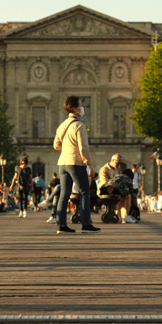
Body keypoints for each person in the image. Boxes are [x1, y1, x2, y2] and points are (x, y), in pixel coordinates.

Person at [53, 95, 99, 234]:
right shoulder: (80, 125)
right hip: (76, 163)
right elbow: (84, 148)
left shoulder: (62, 126)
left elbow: (56, 145)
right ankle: (86, 224)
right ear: (74, 109)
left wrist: (67, 150)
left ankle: (61, 225)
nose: (82, 108)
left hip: (63, 163)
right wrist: (90, 165)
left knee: (64, 194)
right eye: (80, 106)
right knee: (85, 193)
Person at [99, 154, 131, 222]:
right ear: (112, 160)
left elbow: (121, 179)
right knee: (123, 195)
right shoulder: (103, 169)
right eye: (118, 162)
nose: (119, 165)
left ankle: (124, 216)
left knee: (127, 195)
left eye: (120, 163)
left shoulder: (117, 168)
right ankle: (120, 215)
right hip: (105, 191)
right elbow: (104, 183)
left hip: (115, 190)